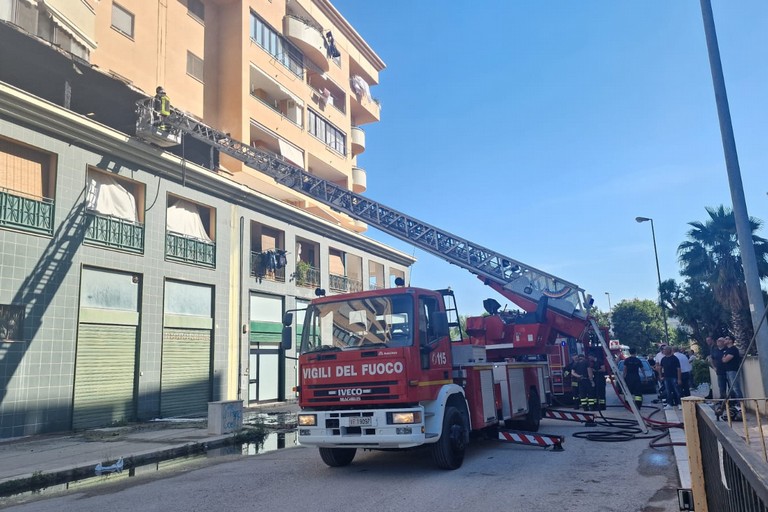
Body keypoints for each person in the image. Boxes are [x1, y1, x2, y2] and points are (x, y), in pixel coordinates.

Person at [721, 335, 743, 401]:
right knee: (732, 388)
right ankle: (736, 404)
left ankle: (740, 404)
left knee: (735, 388)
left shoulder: (733, 349)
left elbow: (725, 360)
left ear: (731, 341)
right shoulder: (727, 350)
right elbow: (723, 359)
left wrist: (724, 358)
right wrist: (724, 358)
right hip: (728, 370)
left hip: (733, 370)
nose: (725, 340)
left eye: (726, 339)